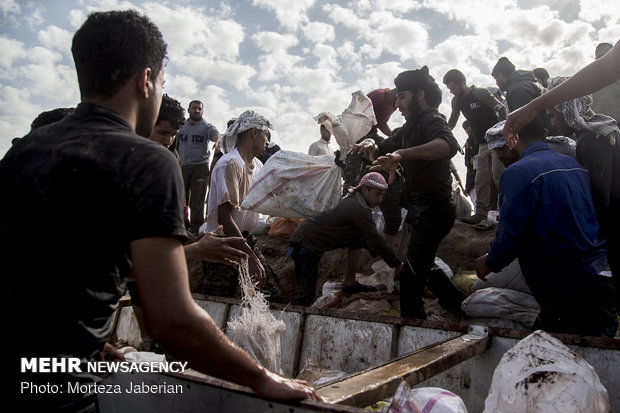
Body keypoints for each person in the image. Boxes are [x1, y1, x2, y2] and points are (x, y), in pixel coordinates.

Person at [0, 10, 319, 410]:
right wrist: (262, 377)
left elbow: (48, 273)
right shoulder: (147, 160)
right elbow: (170, 322)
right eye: (162, 82)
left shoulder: (23, 150)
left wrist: (94, 344)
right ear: (145, 79)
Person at [475, 118, 617, 337]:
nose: (499, 156)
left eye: (499, 149)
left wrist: (490, 261)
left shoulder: (517, 173)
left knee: (562, 359)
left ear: (511, 140)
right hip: (599, 279)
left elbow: (510, 236)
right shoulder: (573, 164)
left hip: (566, 287)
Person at [351, 66, 467, 319]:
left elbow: (446, 145)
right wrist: (371, 143)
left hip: (435, 209)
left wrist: (402, 154)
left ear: (420, 95)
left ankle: (413, 327)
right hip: (419, 209)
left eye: (402, 97)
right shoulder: (409, 127)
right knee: (422, 263)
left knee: (411, 280)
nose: (398, 104)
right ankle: (456, 302)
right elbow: (384, 146)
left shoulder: (432, 120)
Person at [543, 77, 620, 308]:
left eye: (554, 114)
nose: (553, 121)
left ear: (567, 111)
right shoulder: (598, 134)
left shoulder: (591, 141)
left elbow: (599, 198)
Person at [289, 172, 402, 306]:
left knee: (357, 237)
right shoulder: (358, 207)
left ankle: (350, 282)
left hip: (308, 242)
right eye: (378, 194)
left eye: (383, 195)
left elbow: (368, 240)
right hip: (305, 244)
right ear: (365, 190)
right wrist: (396, 264)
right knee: (305, 296)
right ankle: (293, 322)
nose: (381, 200)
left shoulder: (355, 199)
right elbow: (375, 239)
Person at [205, 110, 282, 301]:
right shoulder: (230, 164)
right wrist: (250, 258)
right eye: (265, 135)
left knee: (269, 292)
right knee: (218, 301)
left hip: (244, 238)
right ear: (253, 132)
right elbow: (224, 218)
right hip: (223, 241)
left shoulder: (257, 164)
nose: (267, 141)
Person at [503, 40, 620, 148]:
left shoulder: (588, 143)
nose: (553, 123)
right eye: (598, 58)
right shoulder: (589, 140)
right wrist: (532, 107)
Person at [443, 69, 506, 224]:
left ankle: (507, 210)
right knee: (480, 178)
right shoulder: (457, 101)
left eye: (453, 88)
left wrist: (503, 130)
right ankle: (480, 212)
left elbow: (501, 108)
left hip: (497, 139)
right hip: (482, 143)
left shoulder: (480, 93)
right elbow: (452, 121)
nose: (451, 92)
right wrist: (441, 132)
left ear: (462, 83)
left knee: (499, 175)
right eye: (449, 89)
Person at [176, 100, 220, 234]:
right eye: (194, 108)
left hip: (200, 167)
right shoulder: (181, 126)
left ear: (202, 111)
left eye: (199, 109)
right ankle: (180, 228)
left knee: (197, 201)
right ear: (189, 110)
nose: (196, 110)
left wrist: (217, 142)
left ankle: (196, 230)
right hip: (181, 166)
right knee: (179, 197)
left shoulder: (206, 126)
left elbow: (216, 134)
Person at [590, 42, 620, 124]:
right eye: (598, 57)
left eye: (605, 55)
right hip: (597, 128)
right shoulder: (589, 83)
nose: (602, 59)